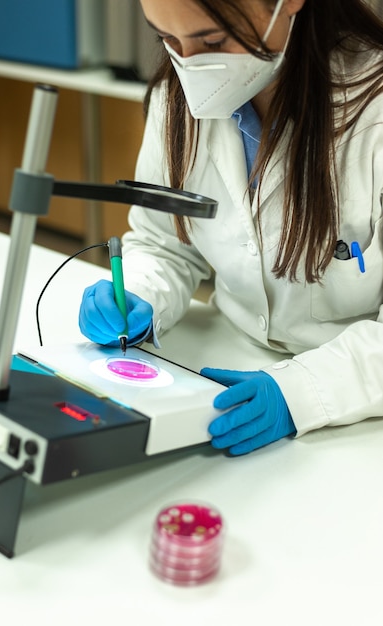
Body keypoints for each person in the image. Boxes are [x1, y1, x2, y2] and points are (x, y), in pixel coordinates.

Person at [79, 0, 383, 456]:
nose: (188, 66)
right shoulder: (177, 100)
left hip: (357, 405)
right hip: (223, 362)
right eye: (167, 40)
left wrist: (300, 394)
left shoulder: (374, 111)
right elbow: (165, 242)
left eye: (212, 41)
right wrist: (140, 291)